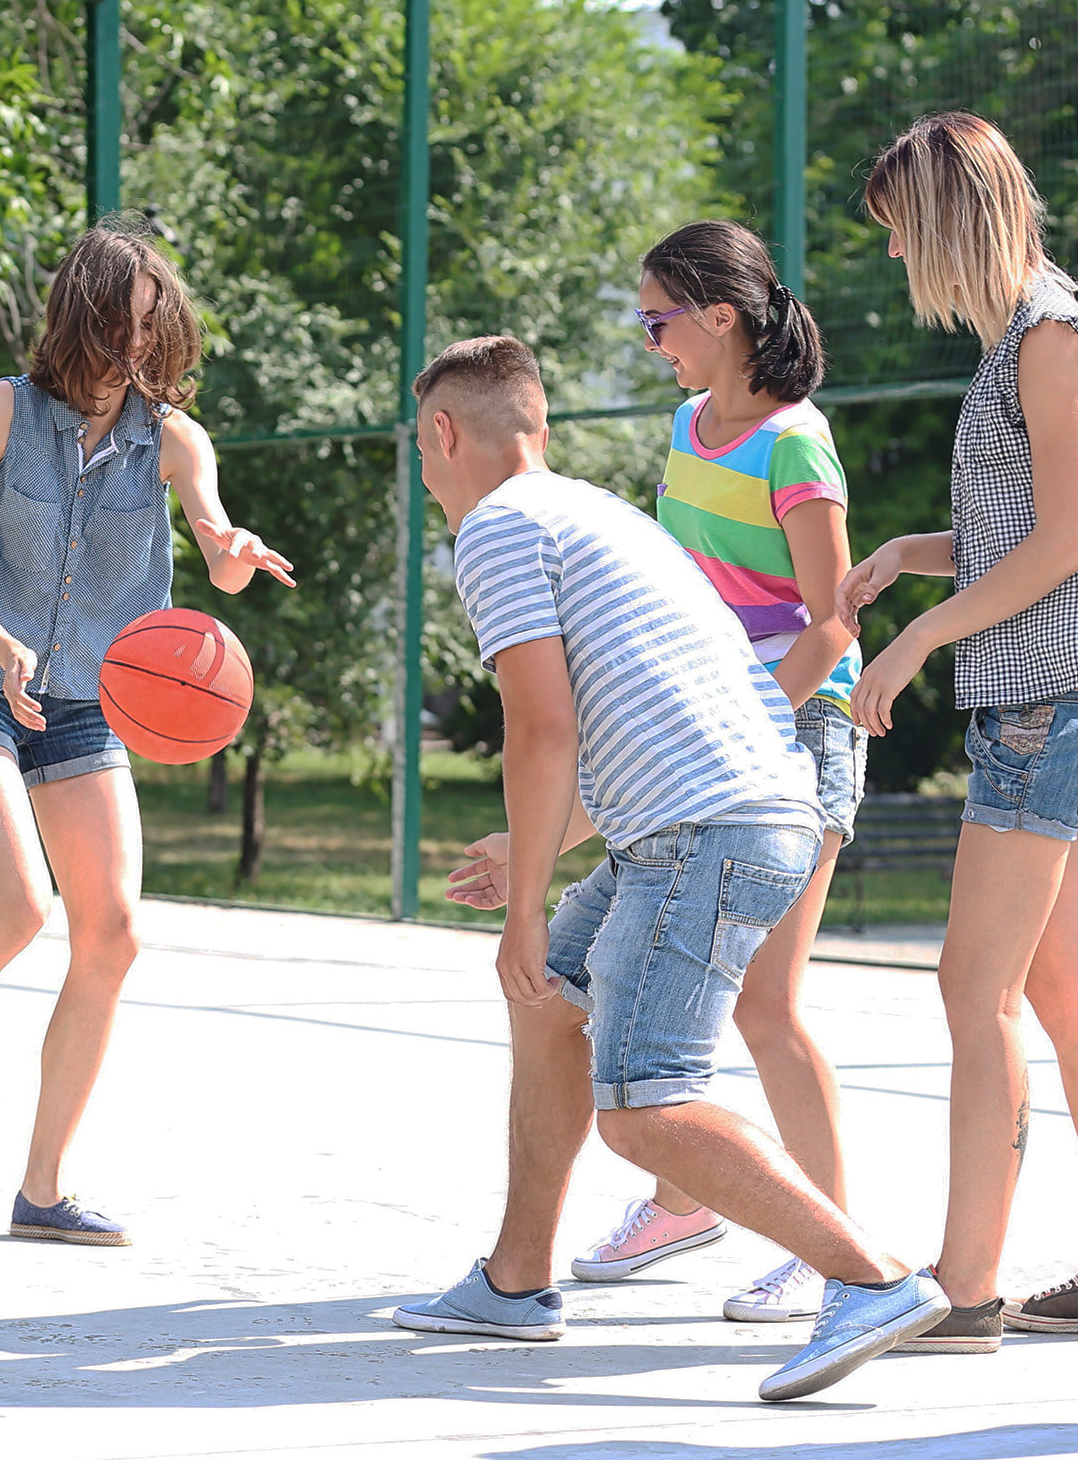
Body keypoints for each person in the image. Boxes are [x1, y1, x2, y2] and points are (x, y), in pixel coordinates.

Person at [392, 334, 942, 1403]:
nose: (424, 470)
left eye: (421, 447)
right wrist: (535, 851)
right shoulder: (592, 512)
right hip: (719, 813)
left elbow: (541, 728)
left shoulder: (496, 528)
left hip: (708, 833)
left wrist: (518, 911)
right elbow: (656, 720)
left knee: (644, 1101)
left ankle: (868, 1277)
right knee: (551, 1001)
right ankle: (513, 1280)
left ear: (445, 434)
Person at [0, 220, 293, 1247]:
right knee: (16, 903)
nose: (135, 347)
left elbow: (217, 549)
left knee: (114, 929)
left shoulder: (175, 440)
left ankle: (42, 1188)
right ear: (77, 318)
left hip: (90, 695)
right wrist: (4, 645)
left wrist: (229, 548)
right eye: (118, 326)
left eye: (151, 327)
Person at [548, 222, 866, 1324]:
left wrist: (746, 720)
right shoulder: (688, 425)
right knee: (662, 984)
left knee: (766, 1007)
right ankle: (680, 1198)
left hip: (798, 730)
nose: (648, 342)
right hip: (714, 733)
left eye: (656, 319)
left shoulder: (796, 444)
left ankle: (836, 1250)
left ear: (718, 314)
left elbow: (827, 623)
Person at [838, 112, 1078, 1350]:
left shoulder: (1048, 334)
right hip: (1043, 697)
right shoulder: (1021, 336)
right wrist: (908, 556)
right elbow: (1017, 531)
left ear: (942, 220)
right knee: (1051, 986)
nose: (892, 258)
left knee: (971, 984)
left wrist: (918, 635)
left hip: (1046, 703)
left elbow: (1063, 539)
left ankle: (965, 1286)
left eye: (896, 233)